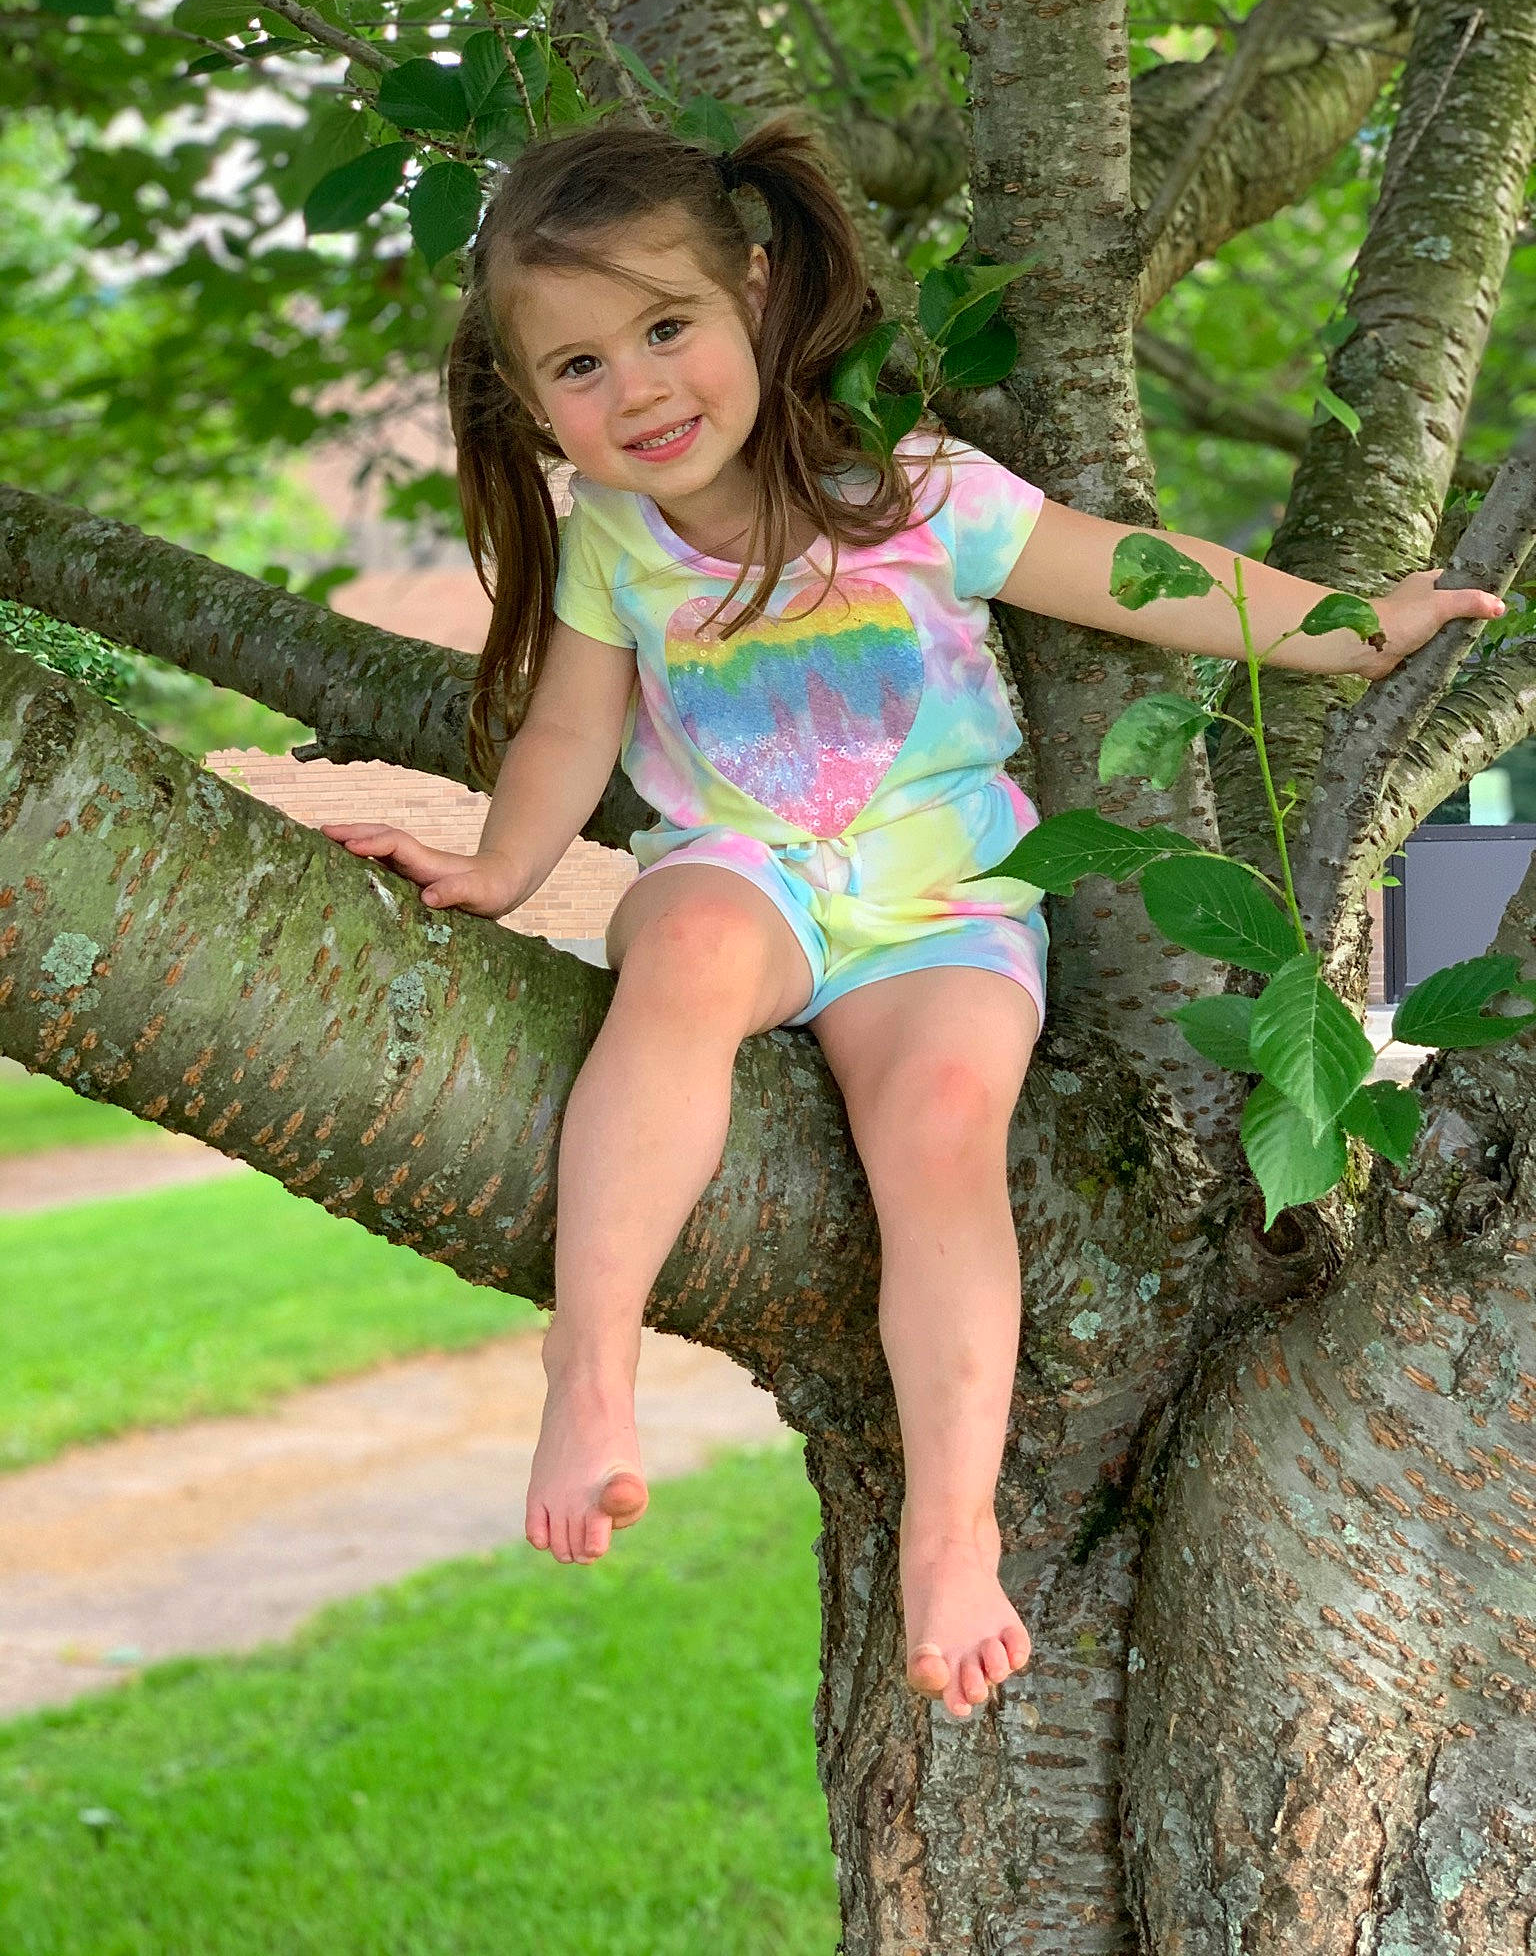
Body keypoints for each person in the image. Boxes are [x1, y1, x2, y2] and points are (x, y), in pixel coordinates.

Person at [322, 113, 1503, 1721]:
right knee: (676, 955)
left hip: (944, 895)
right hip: (750, 867)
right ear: (530, 404)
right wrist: (502, 868)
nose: (641, 390)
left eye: (667, 329)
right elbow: (567, 737)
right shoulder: (615, 539)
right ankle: (587, 1375)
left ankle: (953, 1538)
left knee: (944, 1127)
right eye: (580, 370)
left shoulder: (917, 492)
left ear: (754, 288)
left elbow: (1138, 568)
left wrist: (1354, 626)